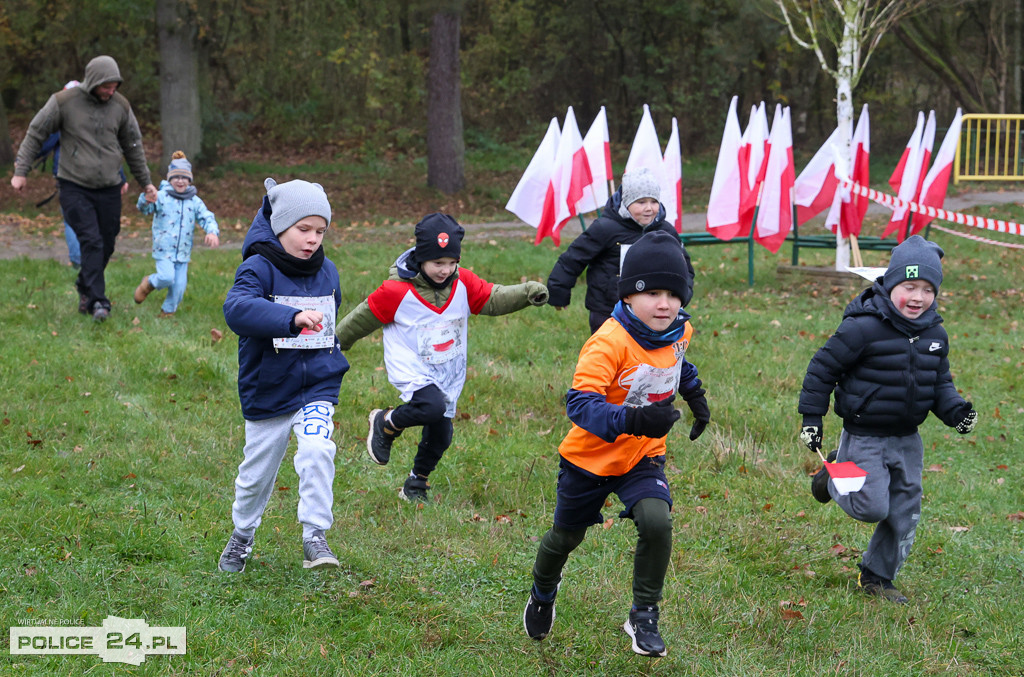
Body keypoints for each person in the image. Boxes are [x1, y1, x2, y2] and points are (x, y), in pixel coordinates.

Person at [523, 230, 710, 657]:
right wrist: (635, 418)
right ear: (628, 296)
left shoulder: (678, 330)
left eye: (673, 294)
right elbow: (580, 405)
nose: (664, 304)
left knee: (657, 520)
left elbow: (678, 362)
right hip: (588, 460)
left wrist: (696, 397)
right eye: (653, 293)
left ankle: (644, 614)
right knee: (565, 538)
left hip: (642, 456)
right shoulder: (607, 342)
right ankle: (543, 591)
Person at [799, 235, 978, 603]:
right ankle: (833, 475)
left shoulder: (935, 334)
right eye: (909, 286)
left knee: (904, 510)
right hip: (865, 433)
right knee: (871, 506)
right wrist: (812, 417)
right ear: (890, 283)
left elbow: (939, 383)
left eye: (927, 289)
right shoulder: (863, 327)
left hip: (907, 438)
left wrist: (956, 411)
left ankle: (877, 576)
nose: (917, 297)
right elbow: (822, 369)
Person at [336, 213, 549, 503]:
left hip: (447, 370)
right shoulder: (396, 291)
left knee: (441, 434)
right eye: (438, 263)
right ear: (420, 258)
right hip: (411, 366)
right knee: (431, 406)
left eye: (452, 263)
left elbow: (493, 297)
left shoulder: (463, 283)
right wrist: (335, 344)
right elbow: (360, 319)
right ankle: (386, 422)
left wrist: (526, 293)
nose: (445, 270)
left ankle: (415, 484)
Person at [219, 178, 349, 573]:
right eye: (303, 229)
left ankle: (315, 535)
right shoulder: (257, 268)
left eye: (320, 231)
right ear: (279, 227)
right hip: (270, 390)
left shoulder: (328, 272)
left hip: (316, 388)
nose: (312, 239)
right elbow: (237, 309)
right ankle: (242, 535)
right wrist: (290, 319)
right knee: (255, 478)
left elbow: (331, 318)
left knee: (316, 451)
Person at [11, 55, 158, 322]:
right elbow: (36, 133)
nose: (110, 91)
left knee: (108, 241)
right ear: (92, 81)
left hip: (110, 186)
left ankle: (84, 286)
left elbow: (133, 146)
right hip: (74, 185)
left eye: (115, 86)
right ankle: (98, 302)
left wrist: (146, 182)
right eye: (106, 86)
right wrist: (21, 171)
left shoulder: (120, 106)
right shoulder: (64, 102)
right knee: (91, 240)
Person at [546, 167, 694, 333]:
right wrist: (558, 291)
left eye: (654, 202)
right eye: (641, 202)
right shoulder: (605, 228)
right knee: (608, 353)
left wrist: (682, 294)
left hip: (650, 313)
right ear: (626, 203)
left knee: (647, 354)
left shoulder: (666, 232)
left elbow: (684, 267)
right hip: (606, 309)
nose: (649, 208)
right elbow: (573, 259)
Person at [134, 151, 220, 317]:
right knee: (166, 277)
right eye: (176, 177)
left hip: (183, 252)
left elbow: (206, 216)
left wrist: (212, 231)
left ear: (189, 180)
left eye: (184, 177)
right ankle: (149, 283)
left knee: (179, 286)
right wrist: (145, 199)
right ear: (169, 179)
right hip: (163, 249)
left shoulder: (194, 201)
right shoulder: (161, 197)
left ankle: (167, 313)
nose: (180, 181)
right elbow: (145, 209)